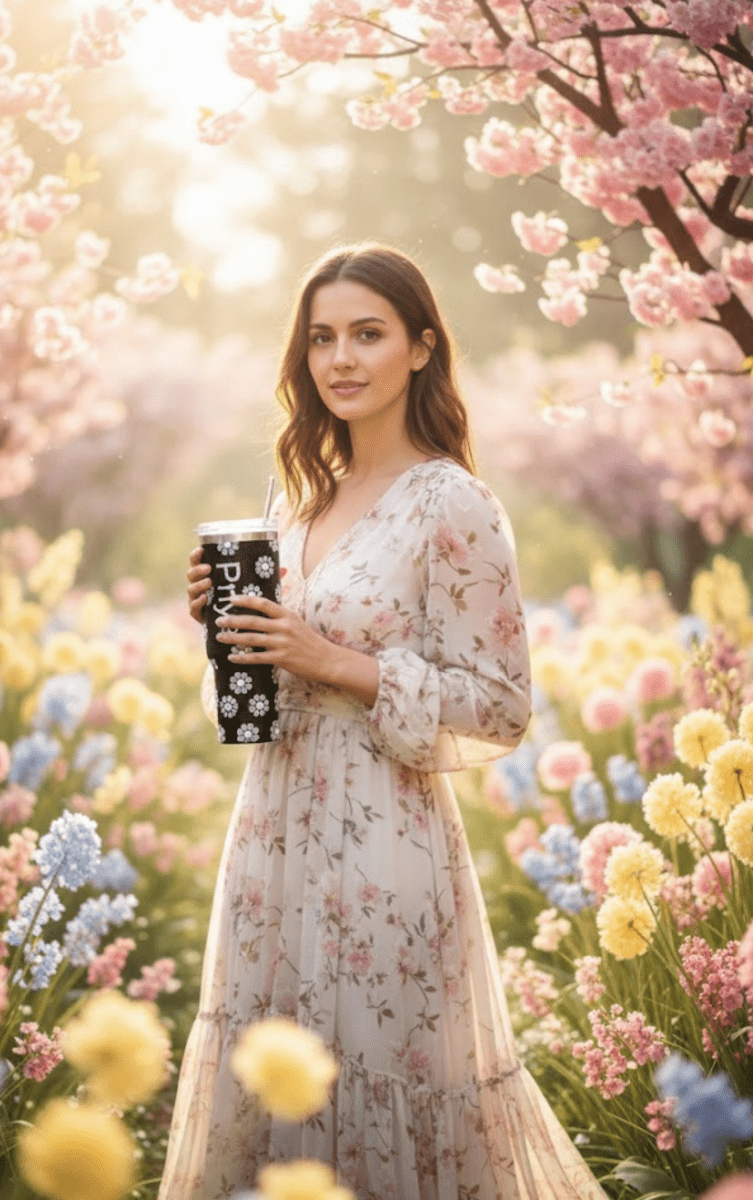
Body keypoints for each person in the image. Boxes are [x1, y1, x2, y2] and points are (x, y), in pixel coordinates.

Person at [158, 244, 608, 1200]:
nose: (342, 359)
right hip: (271, 841)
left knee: (383, 1085)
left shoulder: (454, 503)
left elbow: (500, 704)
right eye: (322, 338)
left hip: (385, 850)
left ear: (421, 347)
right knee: (269, 1086)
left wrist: (343, 666)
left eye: (368, 333)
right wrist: (226, 635)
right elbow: (254, 711)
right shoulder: (293, 504)